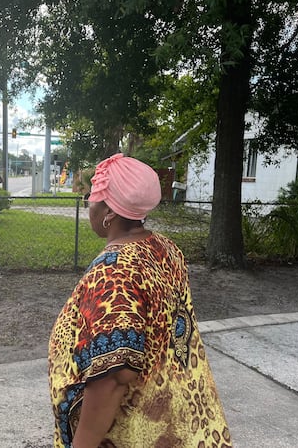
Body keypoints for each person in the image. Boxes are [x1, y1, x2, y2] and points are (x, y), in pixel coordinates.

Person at [48, 153, 232, 447]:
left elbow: (114, 377)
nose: (88, 204)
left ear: (109, 211)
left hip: (135, 432)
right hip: (176, 418)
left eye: (93, 197)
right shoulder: (165, 248)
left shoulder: (114, 272)